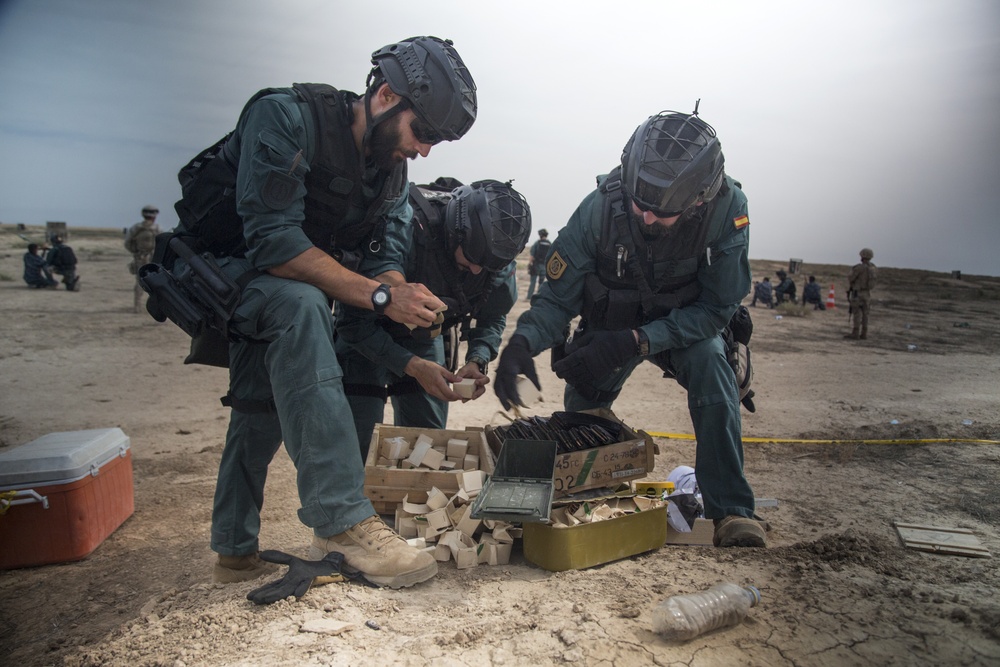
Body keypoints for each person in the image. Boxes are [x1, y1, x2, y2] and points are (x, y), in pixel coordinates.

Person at [165, 36, 477, 588]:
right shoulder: (283, 116)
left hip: (286, 293)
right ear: (385, 95)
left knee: (257, 405)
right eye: (422, 132)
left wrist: (400, 294)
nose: (425, 151)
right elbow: (273, 241)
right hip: (230, 273)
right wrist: (381, 297)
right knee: (301, 304)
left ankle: (233, 552)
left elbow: (384, 254)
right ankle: (339, 520)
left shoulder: (390, 173)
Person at [493, 109, 766, 548]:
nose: (646, 218)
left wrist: (639, 340)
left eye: (662, 212)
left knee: (713, 369)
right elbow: (558, 298)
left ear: (698, 200)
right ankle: (583, 500)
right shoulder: (599, 207)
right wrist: (523, 341)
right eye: (640, 204)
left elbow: (717, 307)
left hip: (685, 329)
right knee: (582, 412)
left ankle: (731, 510)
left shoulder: (727, 211)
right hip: (608, 328)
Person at [337, 177, 531, 458]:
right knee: (355, 445)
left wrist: (477, 359)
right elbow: (351, 322)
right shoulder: (401, 229)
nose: (477, 271)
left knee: (427, 446)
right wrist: (412, 366)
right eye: (471, 260)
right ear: (456, 234)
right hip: (365, 333)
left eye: (486, 266)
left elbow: (493, 317)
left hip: (424, 336)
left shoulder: (495, 255)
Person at [125, 205, 161, 312]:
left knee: (139, 282)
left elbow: (128, 243)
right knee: (157, 282)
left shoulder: (136, 228)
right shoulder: (157, 229)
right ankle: (158, 307)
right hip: (154, 258)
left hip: (140, 257)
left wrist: (136, 252)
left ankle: (137, 306)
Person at [845, 247, 877, 339]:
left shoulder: (859, 268)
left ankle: (855, 333)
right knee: (865, 314)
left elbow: (851, 278)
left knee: (857, 313)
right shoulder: (873, 268)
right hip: (867, 294)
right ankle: (864, 333)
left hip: (857, 293)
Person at [526, 228, 551, 301]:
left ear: (540, 235)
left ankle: (529, 297)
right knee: (541, 282)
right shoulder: (550, 243)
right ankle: (538, 298)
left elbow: (532, 255)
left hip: (536, 265)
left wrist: (530, 264)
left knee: (533, 281)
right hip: (544, 266)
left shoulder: (537, 243)